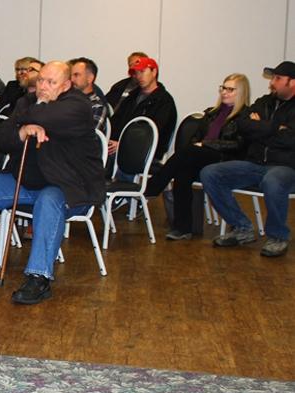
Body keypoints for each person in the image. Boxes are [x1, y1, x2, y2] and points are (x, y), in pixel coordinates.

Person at [0, 61, 103, 305]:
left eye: (50, 82)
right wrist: (23, 131)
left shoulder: (78, 106)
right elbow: (2, 139)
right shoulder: (27, 101)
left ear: (67, 85)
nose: (42, 86)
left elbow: (43, 114)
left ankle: (39, 276)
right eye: (41, 80)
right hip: (27, 182)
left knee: (49, 200)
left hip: (68, 187)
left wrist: (26, 119)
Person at [201, 61, 295, 257]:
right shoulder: (264, 101)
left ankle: (278, 236)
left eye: (278, 79)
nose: (272, 83)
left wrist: (261, 126)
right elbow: (243, 126)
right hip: (255, 164)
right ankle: (242, 227)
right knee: (210, 173)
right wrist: (276, 128)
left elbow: (290, 140)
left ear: (292, 82)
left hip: (285, 167)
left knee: (273, 180)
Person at [144, 73, 250, 240]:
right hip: (203, 156)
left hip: (225, 160)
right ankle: (183, 227)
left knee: (187, 152)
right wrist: (200, 145)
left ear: (241, 92)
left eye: (230, 89)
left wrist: (206, 145)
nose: (224, 92)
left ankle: (153, 187)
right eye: (223, 88)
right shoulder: (211, 113)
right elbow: (196, 138)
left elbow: (238, 145)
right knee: (182, 173)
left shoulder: (245, 117)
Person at [108, 56, 177, 163]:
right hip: (120, 146)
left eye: (142, 71)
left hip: (146, 151)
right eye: (136, 73)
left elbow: (154, 133)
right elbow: (116, 121)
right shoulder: (132, 97)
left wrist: (122, 144)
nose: (139, 76)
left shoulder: (164, 101)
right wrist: (109, 140)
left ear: (154, 72)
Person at [68, 57, 108, 132]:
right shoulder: (65, 100)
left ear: (90, 78)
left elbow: (92, 136)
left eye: (76, 75)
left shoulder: (97, 107)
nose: (72, 79)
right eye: (71, 76)